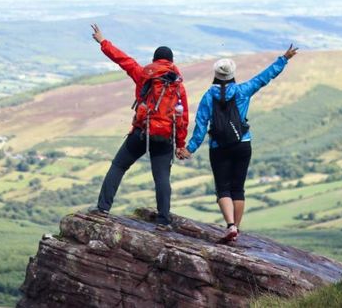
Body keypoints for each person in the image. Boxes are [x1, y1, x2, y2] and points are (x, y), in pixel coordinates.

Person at [178, 45, 298, 241]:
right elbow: (264, 78)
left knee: (223, 188)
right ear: (232, 74)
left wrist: (189, 149)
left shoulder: (208, 97)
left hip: (219, 147)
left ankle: (231, 225)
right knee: (238, 188)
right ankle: (236, 231)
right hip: (242, 143)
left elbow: (200, 127)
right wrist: (284, 59)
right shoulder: (243, 90)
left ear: (215, 74)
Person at [88, 24, 189, 228]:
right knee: (161, 178)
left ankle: (102, 209)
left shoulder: (144, 75)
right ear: (171, 62)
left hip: (142, 132)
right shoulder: (177, 86)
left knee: (118, 166)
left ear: (154, 60)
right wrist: (180, 144)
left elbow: (123, 60)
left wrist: (103, 42)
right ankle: (163, 220)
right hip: (166, 136)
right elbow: (182, 116)